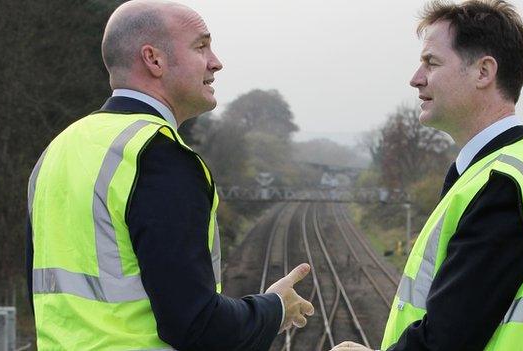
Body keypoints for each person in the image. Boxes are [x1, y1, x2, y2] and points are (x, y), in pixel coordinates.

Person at [26, 1, 314, 350]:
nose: (216, 62)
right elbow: (195, 325)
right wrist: (274, 309)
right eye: (200, 46)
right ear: (154, 60)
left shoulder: (58, 150)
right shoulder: (157, 156)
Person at [331, 1, 523, 350]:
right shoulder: (503, 169)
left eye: (431, 62)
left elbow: (447, 341)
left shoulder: (501, 187)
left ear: (483, 72)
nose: (416, 78)